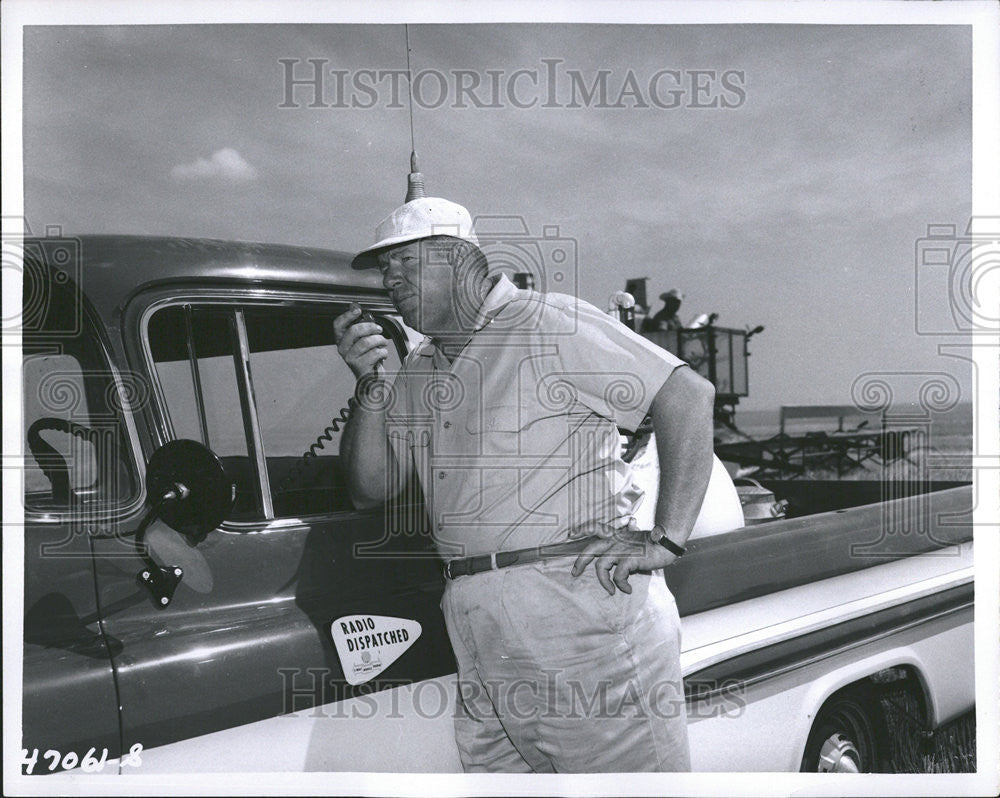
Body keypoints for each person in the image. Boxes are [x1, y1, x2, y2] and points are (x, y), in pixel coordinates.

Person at [336, 191, 715, 773]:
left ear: (460, 260)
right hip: (474, 618)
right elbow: (373, 487)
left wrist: (664, 538)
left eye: (404, 264)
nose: (390, 280)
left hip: (574, 612)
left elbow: (686, 395)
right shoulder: (418, 369)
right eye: (386, 269)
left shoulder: (545, 321)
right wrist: (369, 383)